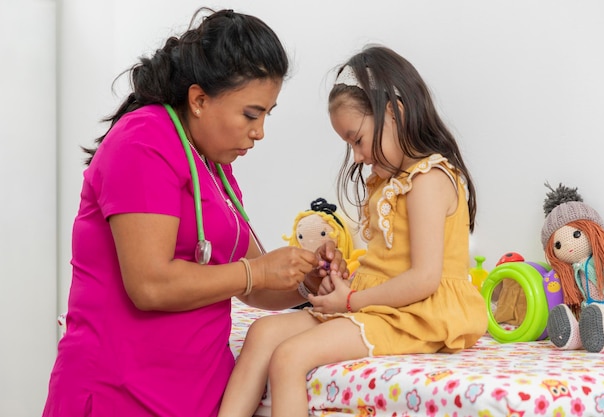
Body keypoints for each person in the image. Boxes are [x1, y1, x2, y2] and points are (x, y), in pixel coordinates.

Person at [42, 8, 347, 417]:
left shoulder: (213, 166)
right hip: (121, 395)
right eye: (251, 114)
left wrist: (307, 283)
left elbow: (254, 285)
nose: (259, 132)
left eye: (266, 116)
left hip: (196, 397)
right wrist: (257, 272)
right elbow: (150, 284)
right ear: (199, 99)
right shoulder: (142, 143)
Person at [217, 45, 489, 417]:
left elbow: (424, 279)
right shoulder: (388, 180)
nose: (357, 156)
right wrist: (343, 277)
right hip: (379, 304)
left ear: (393, 113)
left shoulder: (428, 180)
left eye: (356, 139)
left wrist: (349, 303)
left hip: (416, 313)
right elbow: (386, 262)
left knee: (289, 358)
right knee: (262, 333)